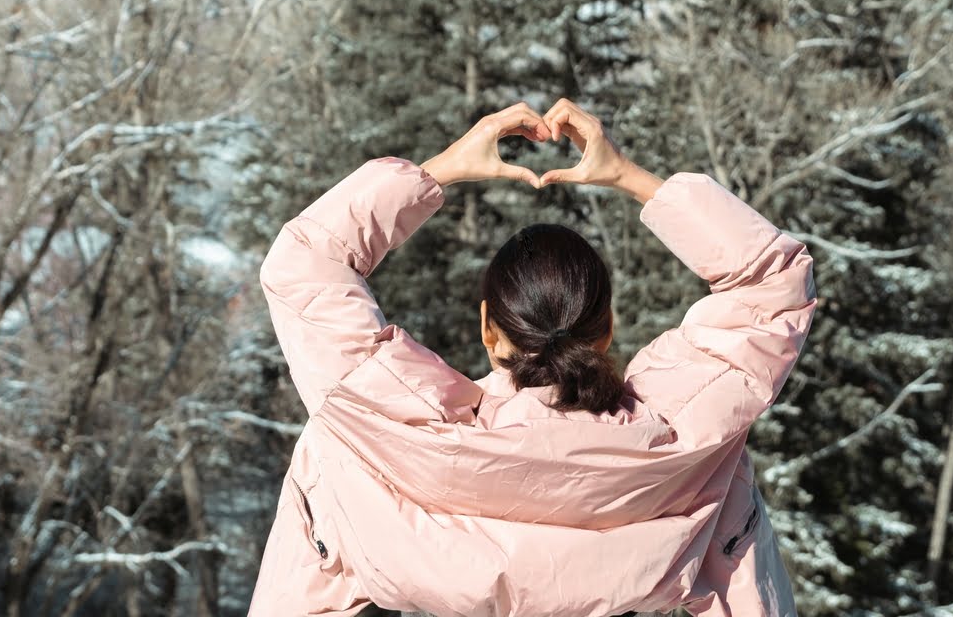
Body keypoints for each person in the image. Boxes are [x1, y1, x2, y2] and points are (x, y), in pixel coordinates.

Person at [248, 99, 818, 617]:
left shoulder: (376, 431)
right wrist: (628, 175)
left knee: (324, 447)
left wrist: (440, 168)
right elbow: (771, 286)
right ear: (607, 328)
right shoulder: (684, 444)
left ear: (489, 330)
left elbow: (304, 266)